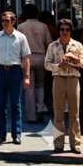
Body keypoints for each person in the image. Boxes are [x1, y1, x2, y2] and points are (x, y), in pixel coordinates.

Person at [0, 11, 31, 144]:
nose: (4, 23)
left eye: (7, 20)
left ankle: (16, 134)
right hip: (0, 71)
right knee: (0, 105)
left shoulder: (21, 37)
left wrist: (27, 76)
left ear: (13, 21)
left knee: (15, 105)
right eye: (3, 20)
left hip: (15, 72)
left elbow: (25, 58)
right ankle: (1, 135)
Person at [44, 19, 82, 154]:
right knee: (58, 113)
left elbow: (82, 63)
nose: (65, 32)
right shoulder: (52, 46)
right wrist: (58, 66)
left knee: (74, 113)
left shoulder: (77, 45)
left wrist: (75, 59)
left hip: (73, 79)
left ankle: (75, 144)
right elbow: (47, 64)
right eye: (62, 29)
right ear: (58, 30)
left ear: (71, 31)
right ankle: (58, 144)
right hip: (59, 79)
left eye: (67, 29)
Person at [19, 4, 52, 123]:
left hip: (27, 58)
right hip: (41, 56)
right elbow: (48, 43)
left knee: (29, 87)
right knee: (40, 85)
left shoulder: (21, 26)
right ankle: (40, 108)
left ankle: (31, 115)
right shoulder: (43, 26)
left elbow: (18, 45)